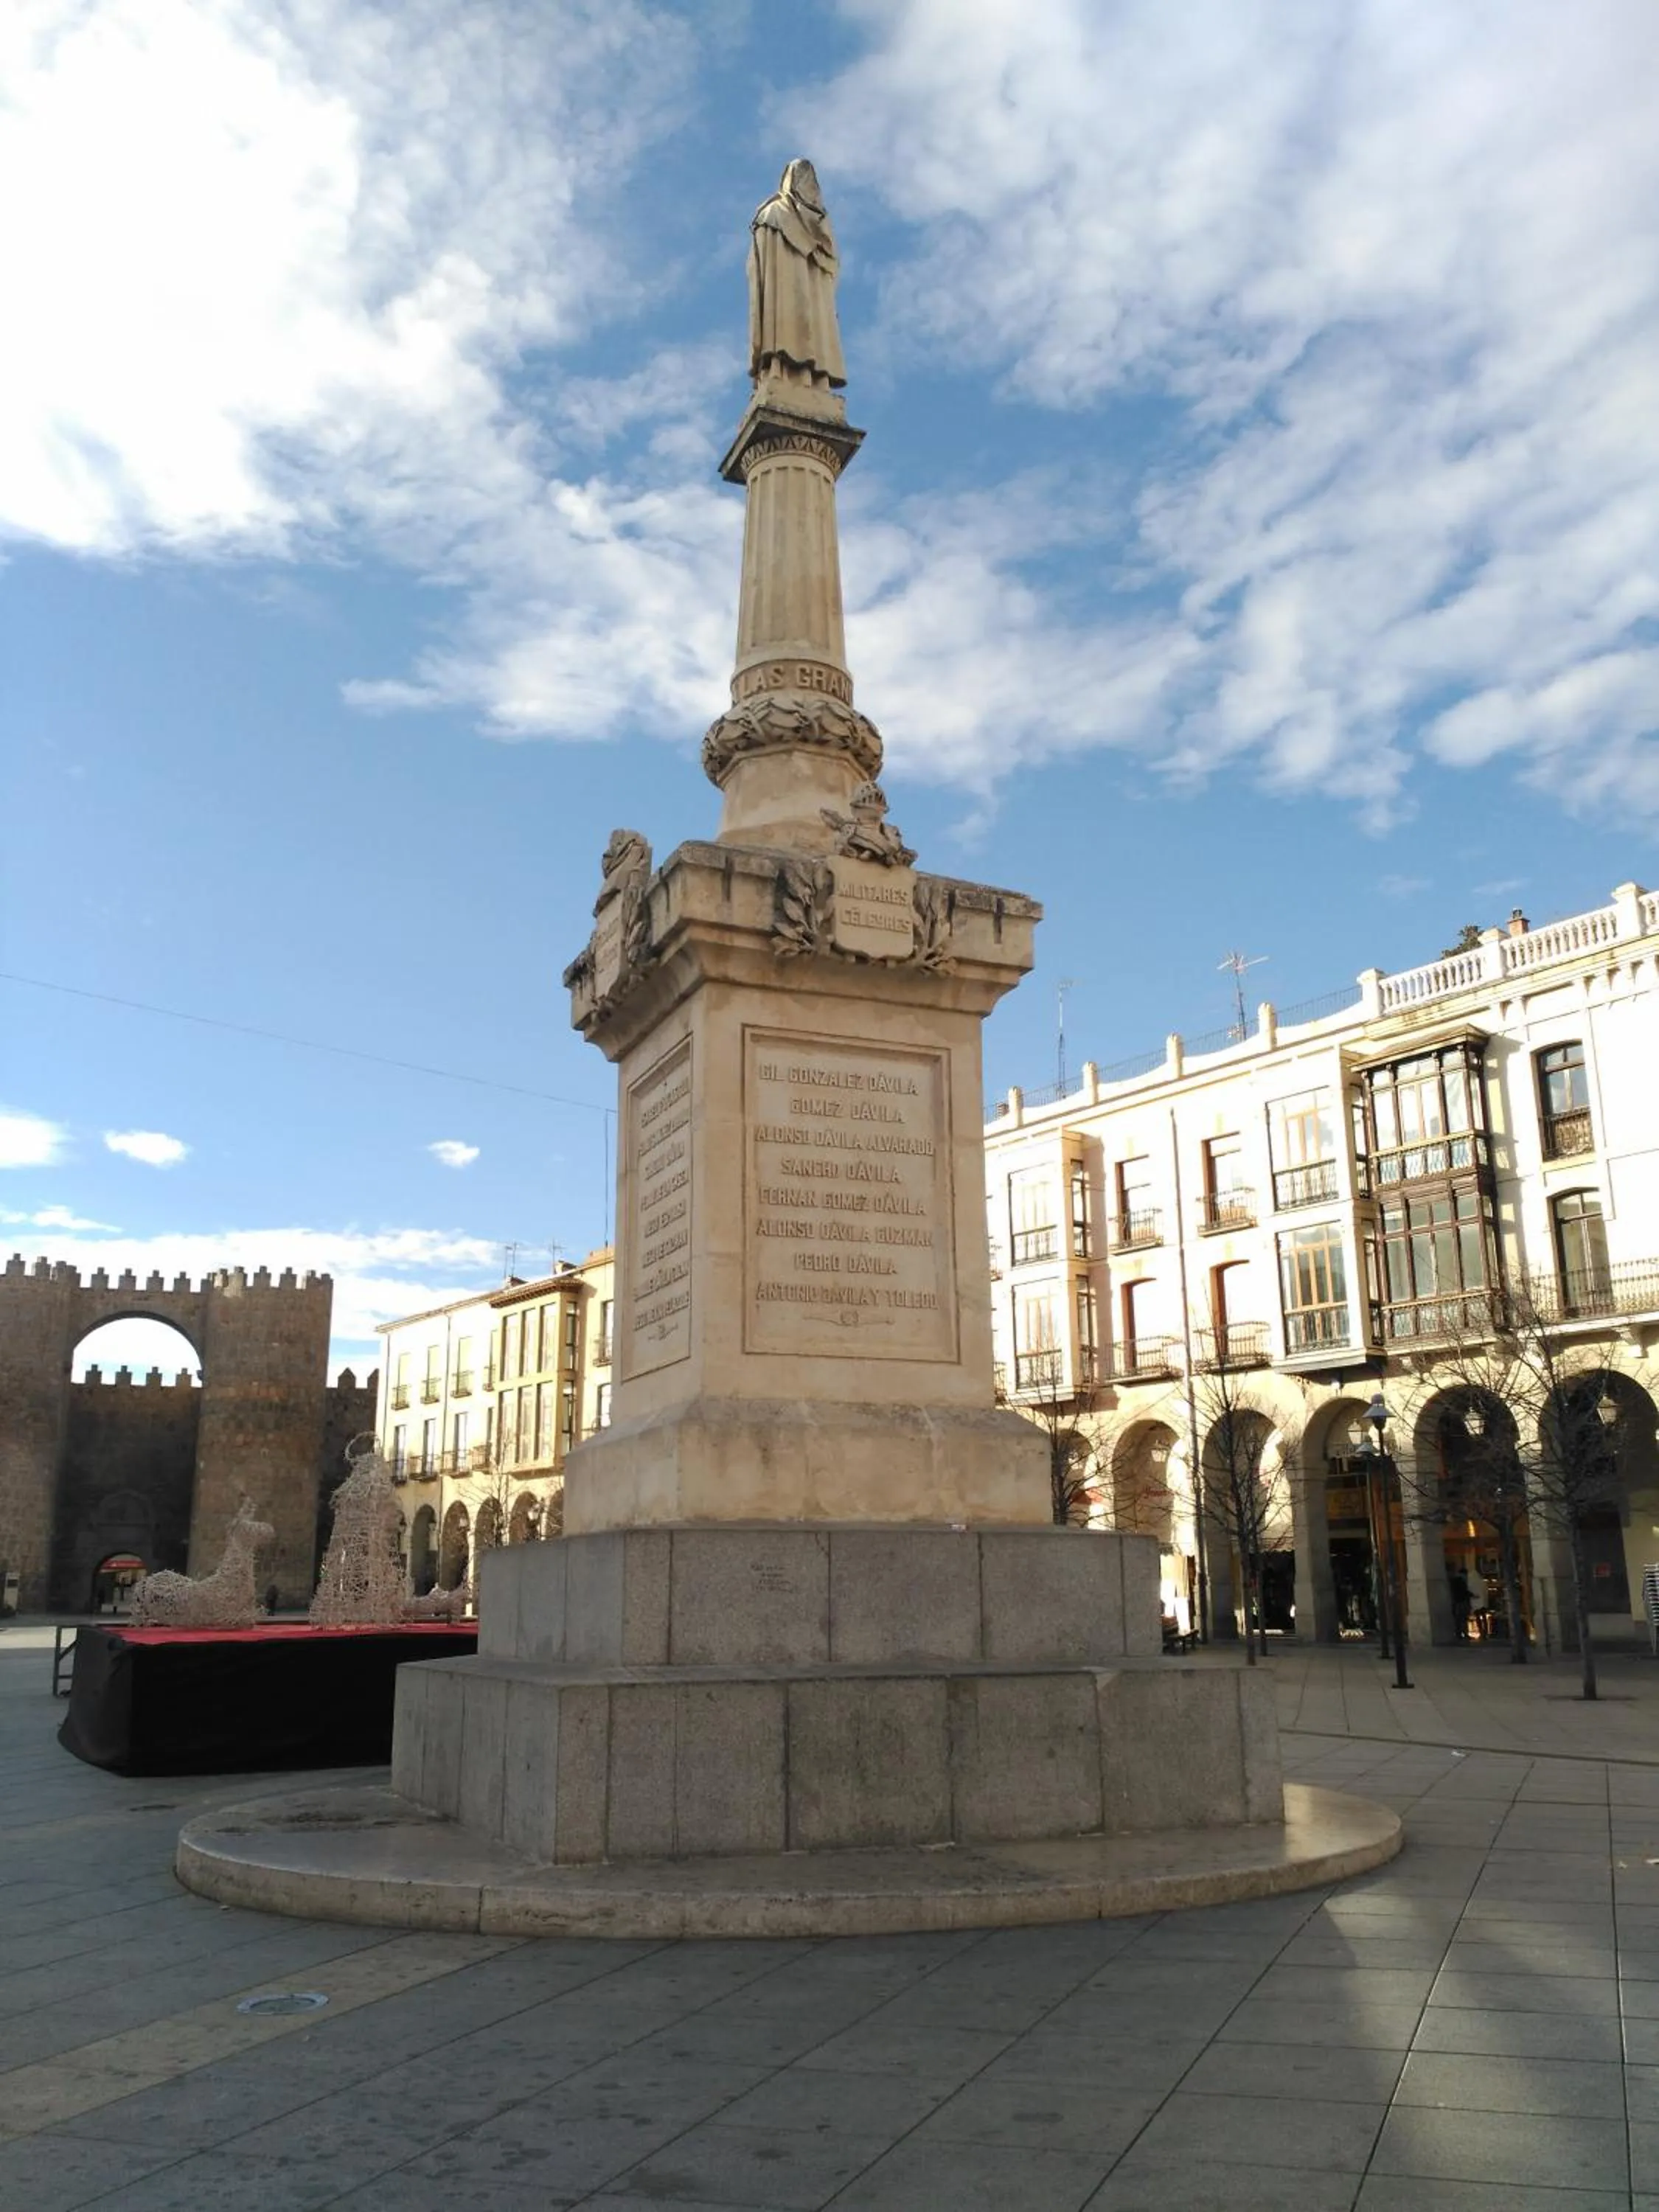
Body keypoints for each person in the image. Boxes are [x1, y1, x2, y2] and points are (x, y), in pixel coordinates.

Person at [1449, 1566, 1473, 1640]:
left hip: (1456, 1603)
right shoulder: (1461, 1581)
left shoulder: (1454, 1581)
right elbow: (1464, 1592)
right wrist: (1472, 1595)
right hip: (1461, 1602)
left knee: (1458, 1620)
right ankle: (1464, 1633)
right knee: (1463, 1619)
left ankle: (1458, 1634)